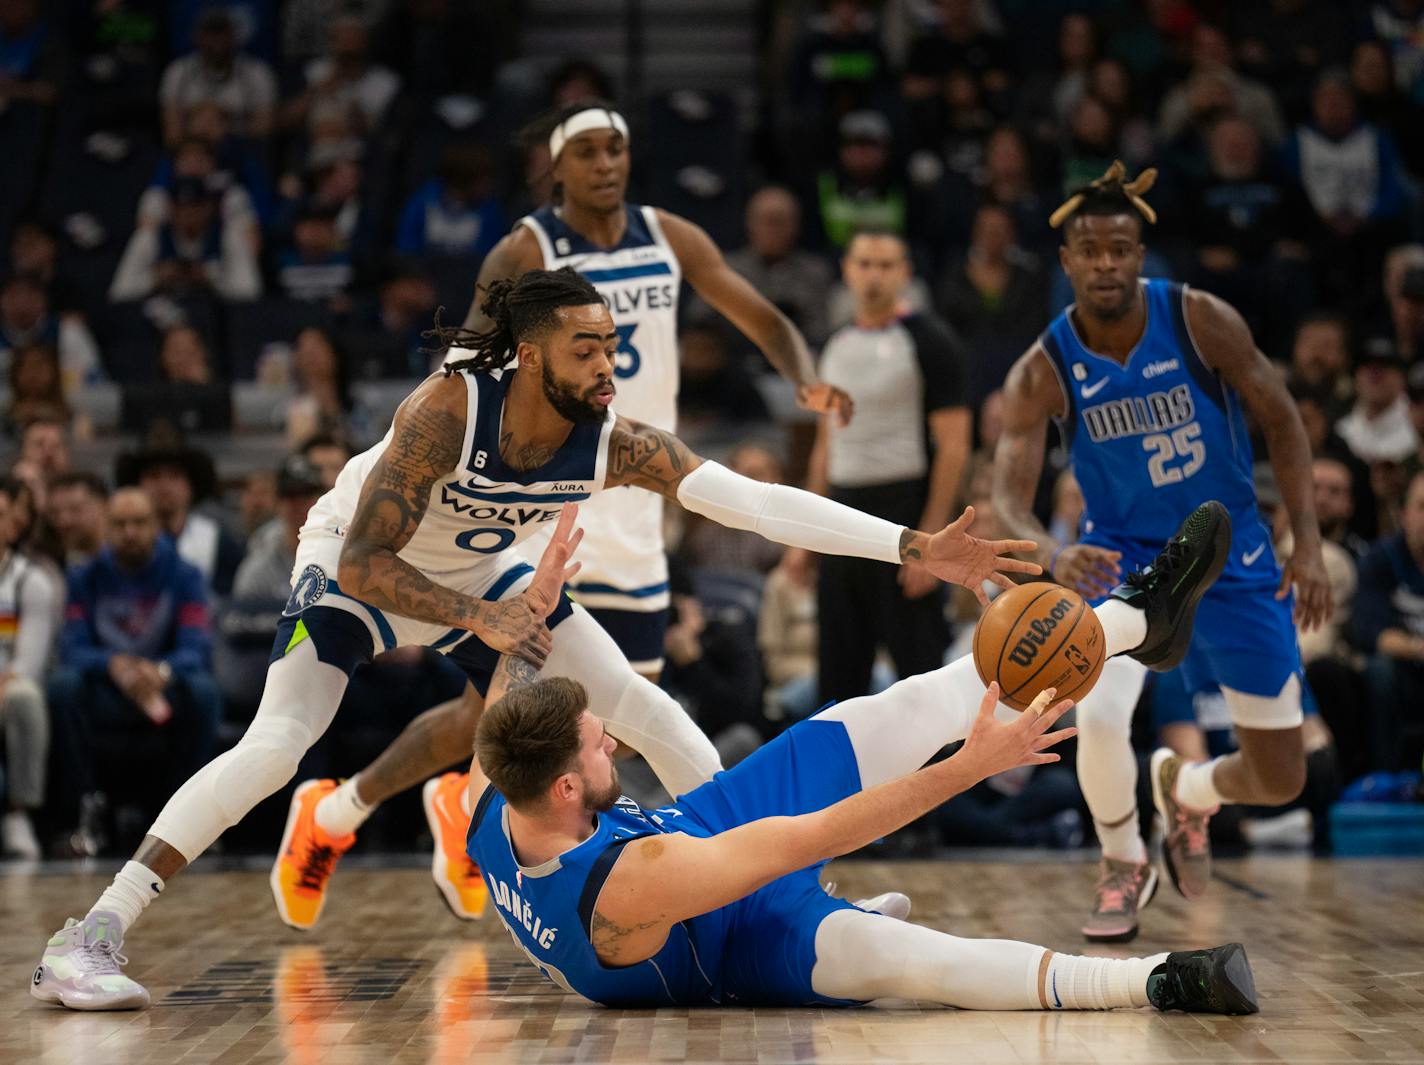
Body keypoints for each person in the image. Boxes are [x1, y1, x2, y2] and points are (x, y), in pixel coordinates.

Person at [30, 268, 1033, 1010]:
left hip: (481, 572)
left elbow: (752, 504)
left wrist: (911, 543)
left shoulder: (613, 436)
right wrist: (482, 619)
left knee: (651, 715)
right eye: (586, 348)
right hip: (352, 561)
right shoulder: (442, 412)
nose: (609, 363)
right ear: (528, 355)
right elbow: (373, 562)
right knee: (274, 742)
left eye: (611, 345)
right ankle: (95, 930)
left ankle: (790, 905)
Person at [285, 100, 857, 922]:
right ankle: (394, 819)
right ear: (557, 165)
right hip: (553, 497)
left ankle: (421, 810)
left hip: (640, 490)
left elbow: (756, 313)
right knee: (543, 711)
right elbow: (462, 369)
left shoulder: (671, 235)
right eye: (587, 151)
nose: (606, 164)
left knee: (601, 727)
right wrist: (404, 463)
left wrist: (801, 373)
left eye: (617, 148)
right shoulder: (526, 249)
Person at [460, 500, 1258, 1014]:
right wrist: (971, 765)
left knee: (899, 708)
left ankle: (1134, 621)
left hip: (705, 823)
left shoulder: (495, 795)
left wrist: (537, 602)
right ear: (566, 788)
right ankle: (1152, 978)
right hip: (731, 936)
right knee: (903, 963)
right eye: (601, 747)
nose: (612, 741)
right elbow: (824, 831)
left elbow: (511, 682)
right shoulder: (631, 881)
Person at [991, 161, 1330, 943]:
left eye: (1120, 248)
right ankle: (1122, 862)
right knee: (1099, 714)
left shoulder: (1200, 318)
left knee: (1282, 778)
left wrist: (1306, 544)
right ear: (1067, 261)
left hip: (1233, 552)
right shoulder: (1042, 368)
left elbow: (1283, 418)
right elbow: (1008, 490)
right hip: (1124, 561)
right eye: (1091, 250)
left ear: (1140, 256)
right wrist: (1050, 549)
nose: (1106, 263)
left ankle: (1190, 789)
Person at [807, 229, 971, 703]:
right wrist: (803, 535)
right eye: (864, 264)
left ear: (905, 273)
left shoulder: (930, 340)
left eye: (885, 265)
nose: (873, 276)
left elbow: (955, 446)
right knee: (839, 674)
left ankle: (948, 776)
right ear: (847, 271)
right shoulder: (835, 344)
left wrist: (931, 540)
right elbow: (825, 444)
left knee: (919, 672)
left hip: (904, 509)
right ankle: (847, 780)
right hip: (840, 515)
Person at [44, 488, 221, 863]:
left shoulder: (184, 575)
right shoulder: (84, 577)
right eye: (120, 524)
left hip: (162, 687)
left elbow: (197, 645)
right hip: (107, 690)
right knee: (61, 687)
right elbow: (73, 648)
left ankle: (187, 822)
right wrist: (113, 665)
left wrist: (162, 670)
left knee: (205, 692)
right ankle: (82, 814)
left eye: (139, 523)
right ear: (106, 529)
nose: (130, 532)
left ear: (156, 526)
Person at [0, 476, 58, 859]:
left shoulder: (30, 581)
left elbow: (28, 664)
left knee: (25, 697)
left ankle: (18, 813)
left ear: (14, 523)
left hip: (5, 687)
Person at [1352, 469, 1424, 775]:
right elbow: (1371, 633)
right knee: (1378, 669)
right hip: (1405, 674)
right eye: (1422, 507)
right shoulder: (1381, 559)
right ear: (1405, 514)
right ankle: (1386, 779)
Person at [116, 445, 245, 599]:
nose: (164, 486)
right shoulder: (121, 541)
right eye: (154, 476)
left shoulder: (217, 540)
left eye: (175, 476)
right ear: (137, 486)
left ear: (191, 487)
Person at [47, 473, 108, 569]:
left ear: (103, 506)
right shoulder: (51, 569)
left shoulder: (130, 563)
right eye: (55, 513)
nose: (63, 521)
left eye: (74, 509)